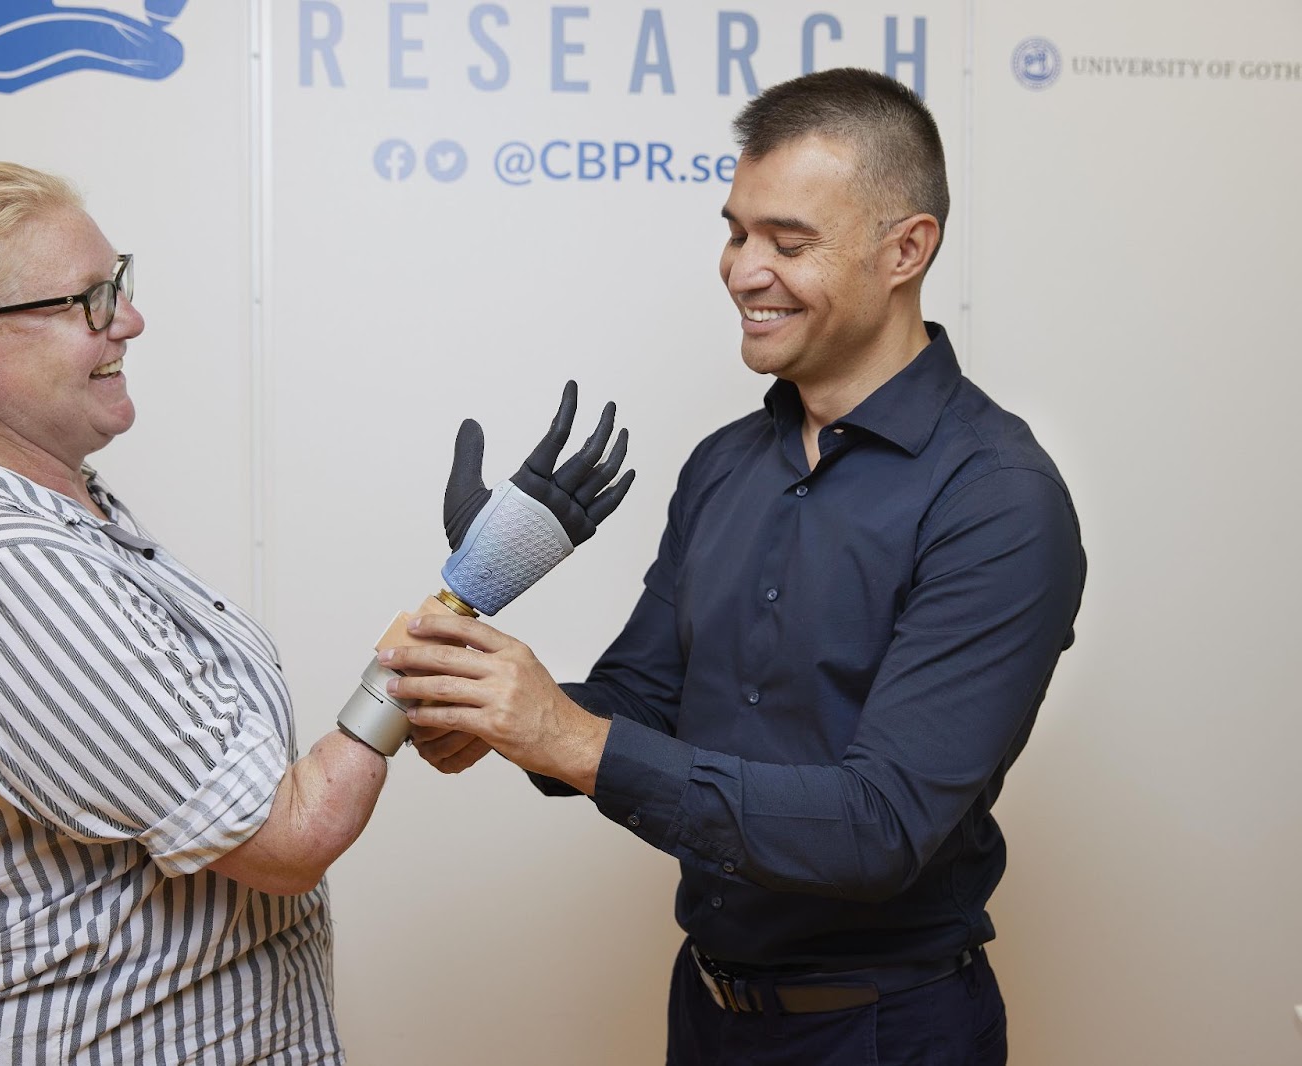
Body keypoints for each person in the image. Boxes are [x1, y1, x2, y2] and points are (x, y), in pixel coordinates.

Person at [382, 68, 1086, 1065]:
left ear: (907, 249)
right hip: (707, 1012)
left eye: (788, 242)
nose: (742, 269)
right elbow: (641, 697)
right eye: (735, 231)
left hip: (883, 1034)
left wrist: (560, 733)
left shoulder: (997, 498)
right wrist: (495, 710)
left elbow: (877, 826)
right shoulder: (724, 465)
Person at [0, 161, 393, 1066]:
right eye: (84, 303)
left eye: (118, 285)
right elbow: (288, 836)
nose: (127, 320)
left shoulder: (50, 507)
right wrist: (429, 643)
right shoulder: (7, 569)